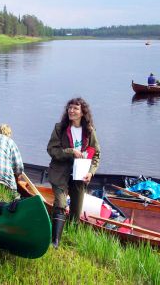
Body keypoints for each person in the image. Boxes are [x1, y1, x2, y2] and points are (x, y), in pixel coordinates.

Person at [47, 97, 100, 248]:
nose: (71, 111)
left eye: (75, 108)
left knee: (76, 212)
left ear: (83, 112)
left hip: (80, 175)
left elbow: (96, 154)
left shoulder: (89, 131)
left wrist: (91, 172)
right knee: (61, 204)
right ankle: (55, 242)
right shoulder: (60, 128)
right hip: (59, 173)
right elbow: (51, 150)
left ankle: (71, 240)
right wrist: (70, 152)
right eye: (69, 108)